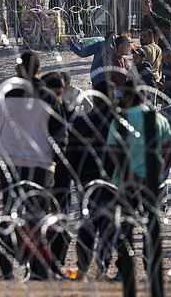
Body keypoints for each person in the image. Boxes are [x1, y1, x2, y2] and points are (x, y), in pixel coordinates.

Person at [0, 50, 67, 280]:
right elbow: (59, 136)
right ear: (39, 70)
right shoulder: (48, 97)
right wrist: (58, 167)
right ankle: (37, 268)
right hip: (39, 165)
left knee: (9, 210)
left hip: (8, 162)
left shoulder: (5, 94)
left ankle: (6, 266)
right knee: (36, 215)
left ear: (17, 70)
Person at [107, 80, 171, 282]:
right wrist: (159, 170)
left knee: (125, 227)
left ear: (128, 97)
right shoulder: (157, 118)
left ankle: (124, 271)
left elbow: (112, 148)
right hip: (152, 183)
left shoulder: (122, 118)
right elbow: (169, 147)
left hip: (126, 183)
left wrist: (128, 172)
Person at [63, 80, 117, 280]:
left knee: (87, 223)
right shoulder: (118, 121)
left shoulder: (81, 121)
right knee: (108, 225)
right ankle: (103, 268)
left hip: (86, 180)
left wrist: (74, 177)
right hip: (112, 181)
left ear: (95, 97)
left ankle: (83, 267)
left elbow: (72, 153)